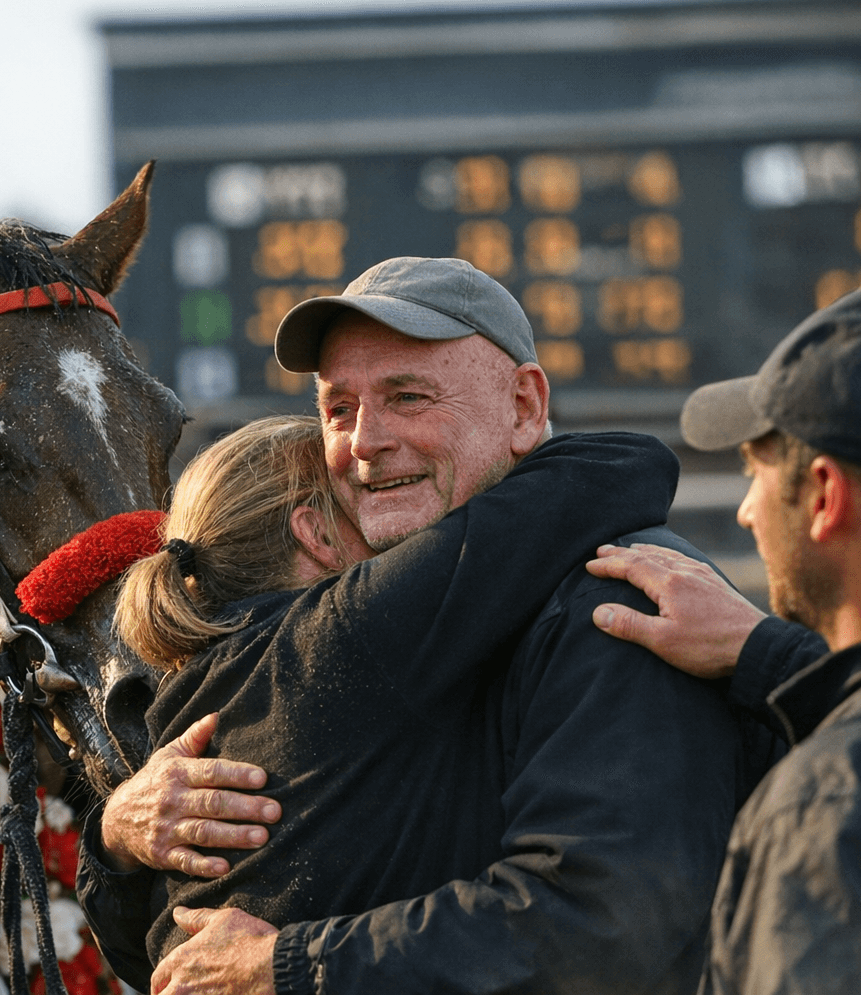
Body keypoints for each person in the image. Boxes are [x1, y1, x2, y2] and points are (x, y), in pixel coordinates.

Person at [79, 256, 778, 994]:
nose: (363, 441)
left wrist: (292, 963)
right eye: (338, 409)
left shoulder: (624, 600)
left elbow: (608, 931)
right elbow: (193, 960)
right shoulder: (376, 637)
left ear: (524, 408)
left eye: (408, 396)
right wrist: (115, 838)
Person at [92, 412, 687, 991]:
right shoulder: (347, 631)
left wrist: (108, 843)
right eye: (359, 498)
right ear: (317, 534)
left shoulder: (183, 695)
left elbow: (145, 951)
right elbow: (626, 464)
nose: (387, 518)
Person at [586, 289, 861, 992]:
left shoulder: (826, 807)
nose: (743, 511)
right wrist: (768, 655)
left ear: (825, 496)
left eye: (753, 473)